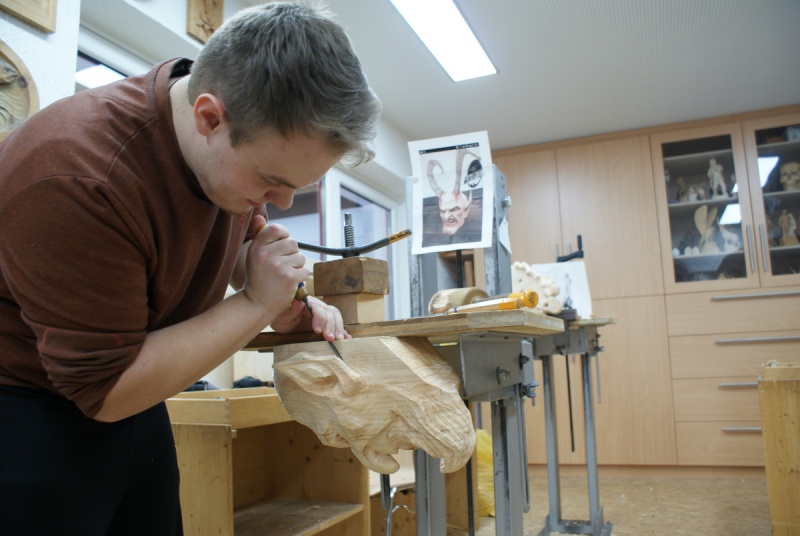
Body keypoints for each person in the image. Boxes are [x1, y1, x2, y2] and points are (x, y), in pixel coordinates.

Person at [0, 2, 381, 534]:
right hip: (30, 412)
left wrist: (280, 292)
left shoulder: (224, 142)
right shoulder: (79, 178)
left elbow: (239, 236)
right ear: (209, 117)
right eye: (271, 181)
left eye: (298, 185)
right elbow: (105, 390)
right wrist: (256, 303)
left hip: (139, 398)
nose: (282, 203)